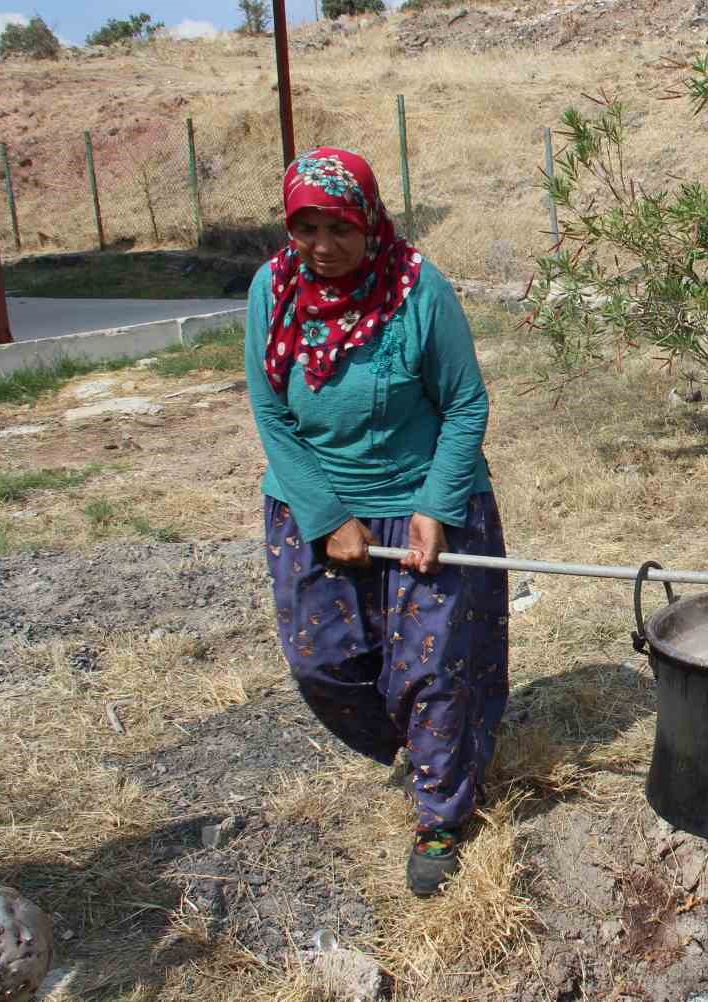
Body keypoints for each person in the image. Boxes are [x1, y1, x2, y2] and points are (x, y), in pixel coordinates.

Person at [245, 146, 509, 898]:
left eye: (340, 228)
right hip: (315, 507)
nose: (323, 247)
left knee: (432, 670)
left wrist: (435, 507)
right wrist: (327, 516)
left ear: (371, 222)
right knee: (322, 663)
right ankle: (425, 750)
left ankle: (441, 811)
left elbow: (465, 404)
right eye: (307, 228)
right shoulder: (274, 288)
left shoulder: (417, 290)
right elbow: (270, 409)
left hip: (424, 499)